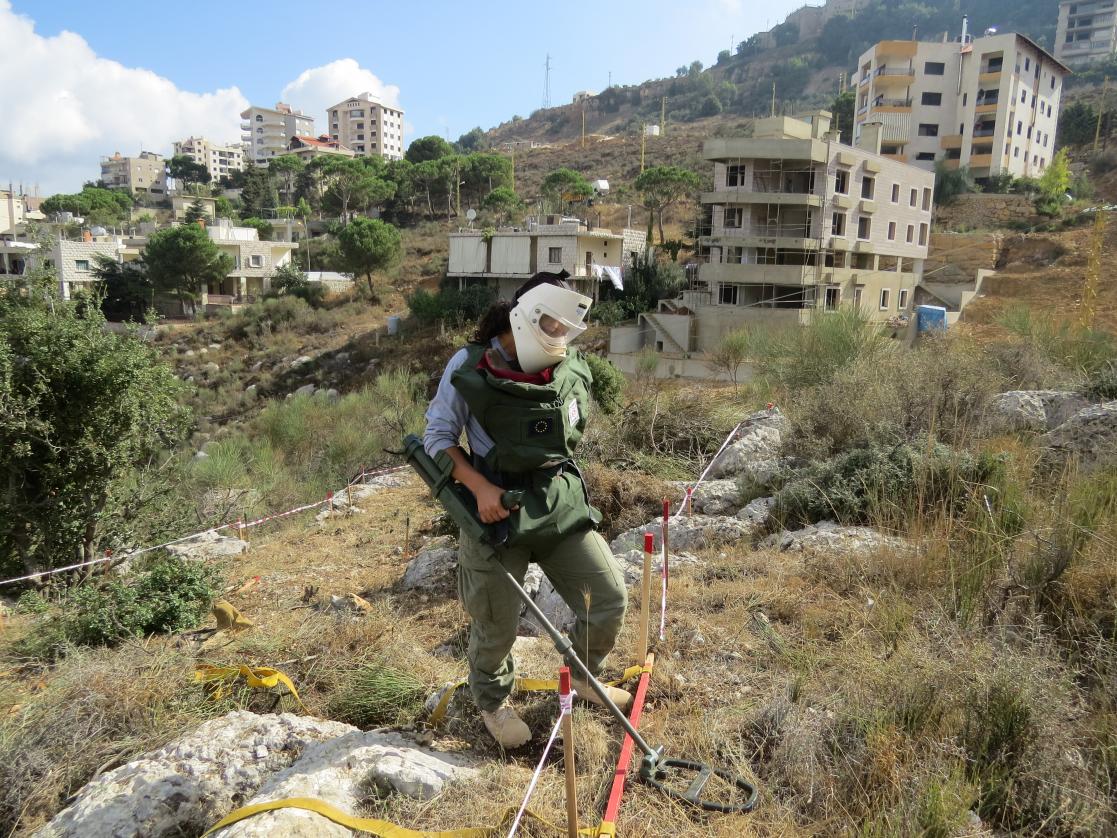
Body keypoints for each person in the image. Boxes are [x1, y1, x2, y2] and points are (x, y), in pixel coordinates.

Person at [423, 271, 631, 749]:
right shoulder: (471, 363)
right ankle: (493, 703)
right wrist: (478, 488)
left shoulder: (565, 362)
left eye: (565, 328)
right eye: (551, 325)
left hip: (556, 504)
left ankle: (583, 676)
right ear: (524, 316)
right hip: (495, 511)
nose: (558, 335)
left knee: (607, 597)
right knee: (496, 624)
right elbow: (437, 439)